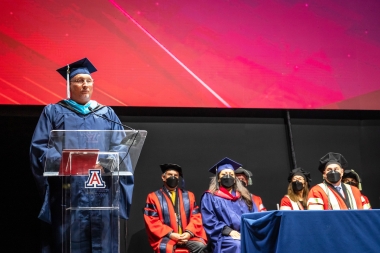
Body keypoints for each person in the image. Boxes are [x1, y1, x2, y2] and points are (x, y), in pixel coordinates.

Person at [30, 58, 134, 253]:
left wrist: (105, 162)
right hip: (69, 193)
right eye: (79, 80)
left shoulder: (106, 113)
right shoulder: (54, 112)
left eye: (88, 80)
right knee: (70, 244)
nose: (85, 84)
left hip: (101, 192)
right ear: (69, 85)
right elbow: (40, 148)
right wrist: (67, 163)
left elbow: (121, 146)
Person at [143, 163, 207, 253]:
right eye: (170, 175)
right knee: (166, 248)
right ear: (163, 177)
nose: (173, 177)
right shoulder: (153, 197)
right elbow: (152, 221)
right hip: (166, 237)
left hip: (186, 237)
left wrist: (189, 233)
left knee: (201, 246)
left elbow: (196, 217)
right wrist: (170, 234)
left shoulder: (189, 196)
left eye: (176, 175)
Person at [200, 157, 256, 253]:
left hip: (245, 233)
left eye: (231, 174)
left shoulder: (244, 197)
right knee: (237, 244)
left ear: (234, 179)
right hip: (223, 236)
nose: (228, 176)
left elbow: (254, 215)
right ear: (218, 178)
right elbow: (209, 221)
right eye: (224, 174)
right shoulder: (210, 197)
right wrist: (228, 231)